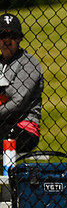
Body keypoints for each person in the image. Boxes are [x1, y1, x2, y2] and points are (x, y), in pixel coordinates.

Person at [0, 13, 43, 154]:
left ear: (19, 39)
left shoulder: (29, 63)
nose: (7, 40)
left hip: (24, 129)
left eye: (12, 36)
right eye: (2, 35)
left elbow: (18, 101)